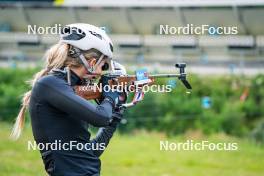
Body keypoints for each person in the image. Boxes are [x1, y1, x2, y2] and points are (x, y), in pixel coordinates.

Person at [11, 23, 125, 176]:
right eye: (103, 66)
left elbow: (88, 154)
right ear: (92, 63)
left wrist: (116, 113)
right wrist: (110, 97)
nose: (101, 73)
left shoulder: (63, 88)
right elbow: (100, 117)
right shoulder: (49, 84)